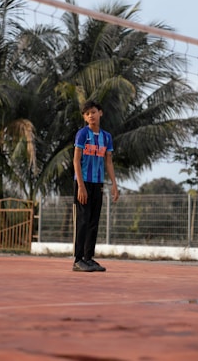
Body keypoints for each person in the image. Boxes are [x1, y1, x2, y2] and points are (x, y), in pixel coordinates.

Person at [73, 100, 119, 272]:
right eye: (87, 114)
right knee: (83, 221)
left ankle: (88, 258)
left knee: (94, 221)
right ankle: (78, 260)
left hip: (98, 183)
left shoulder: (107, 137)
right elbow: (76, 160)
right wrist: (80, 186)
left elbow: (108, 162)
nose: (91, 115)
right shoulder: (82, 134)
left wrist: (114, 184)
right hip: (83, 182)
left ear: (100, 113)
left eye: (93, 112)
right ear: (85, 118)